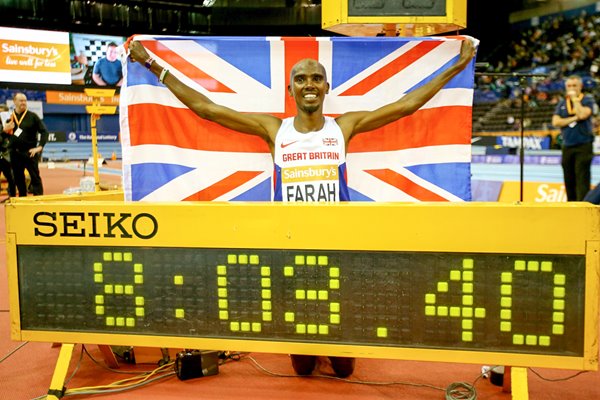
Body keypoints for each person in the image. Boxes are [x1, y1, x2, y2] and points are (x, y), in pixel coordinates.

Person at [128, 37, 476, 376]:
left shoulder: (343, 127)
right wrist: (151, 63)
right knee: (304, 368)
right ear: (290, 90)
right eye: (301, 79)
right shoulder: (273, 129)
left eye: (316, 78)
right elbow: (207, 108)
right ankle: (310, 347)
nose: (309, 84)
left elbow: (406, 105)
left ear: (327, 87)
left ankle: (336, 348)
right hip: (292, 250)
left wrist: (457, 66)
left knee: (343, 369)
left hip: (337, 249)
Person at [551, 75, 597, 201]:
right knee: (569, 179)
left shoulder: (587, 100)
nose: (571, 88)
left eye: (574, 85)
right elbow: (555, 122)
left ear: (580, 87)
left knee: (582, 179)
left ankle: (582, 207)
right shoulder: (562, 103)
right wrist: (574, 118)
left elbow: (582, 114)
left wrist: (575, 100)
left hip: (583, 145)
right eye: (569, 86)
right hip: (567, 146)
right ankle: (571, 206)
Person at [2, 93, 48, 196]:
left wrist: (39, 147)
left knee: (35, 178)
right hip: (15, 154)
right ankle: (22, 200)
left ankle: (39, 201)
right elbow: (5, 137)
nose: (23, 103)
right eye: (21, 100)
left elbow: (44, 132)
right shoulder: (10, 118)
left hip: (29, 152)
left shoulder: (33, 117)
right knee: (18, 179)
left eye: (25, 100)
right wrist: (4, 131)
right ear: (14, 102)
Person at [0, 104, 16, 198]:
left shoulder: (12, 123)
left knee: (11, 178)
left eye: (2, 112)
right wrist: (3, 131)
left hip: (7, 155)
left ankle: (12, 196)